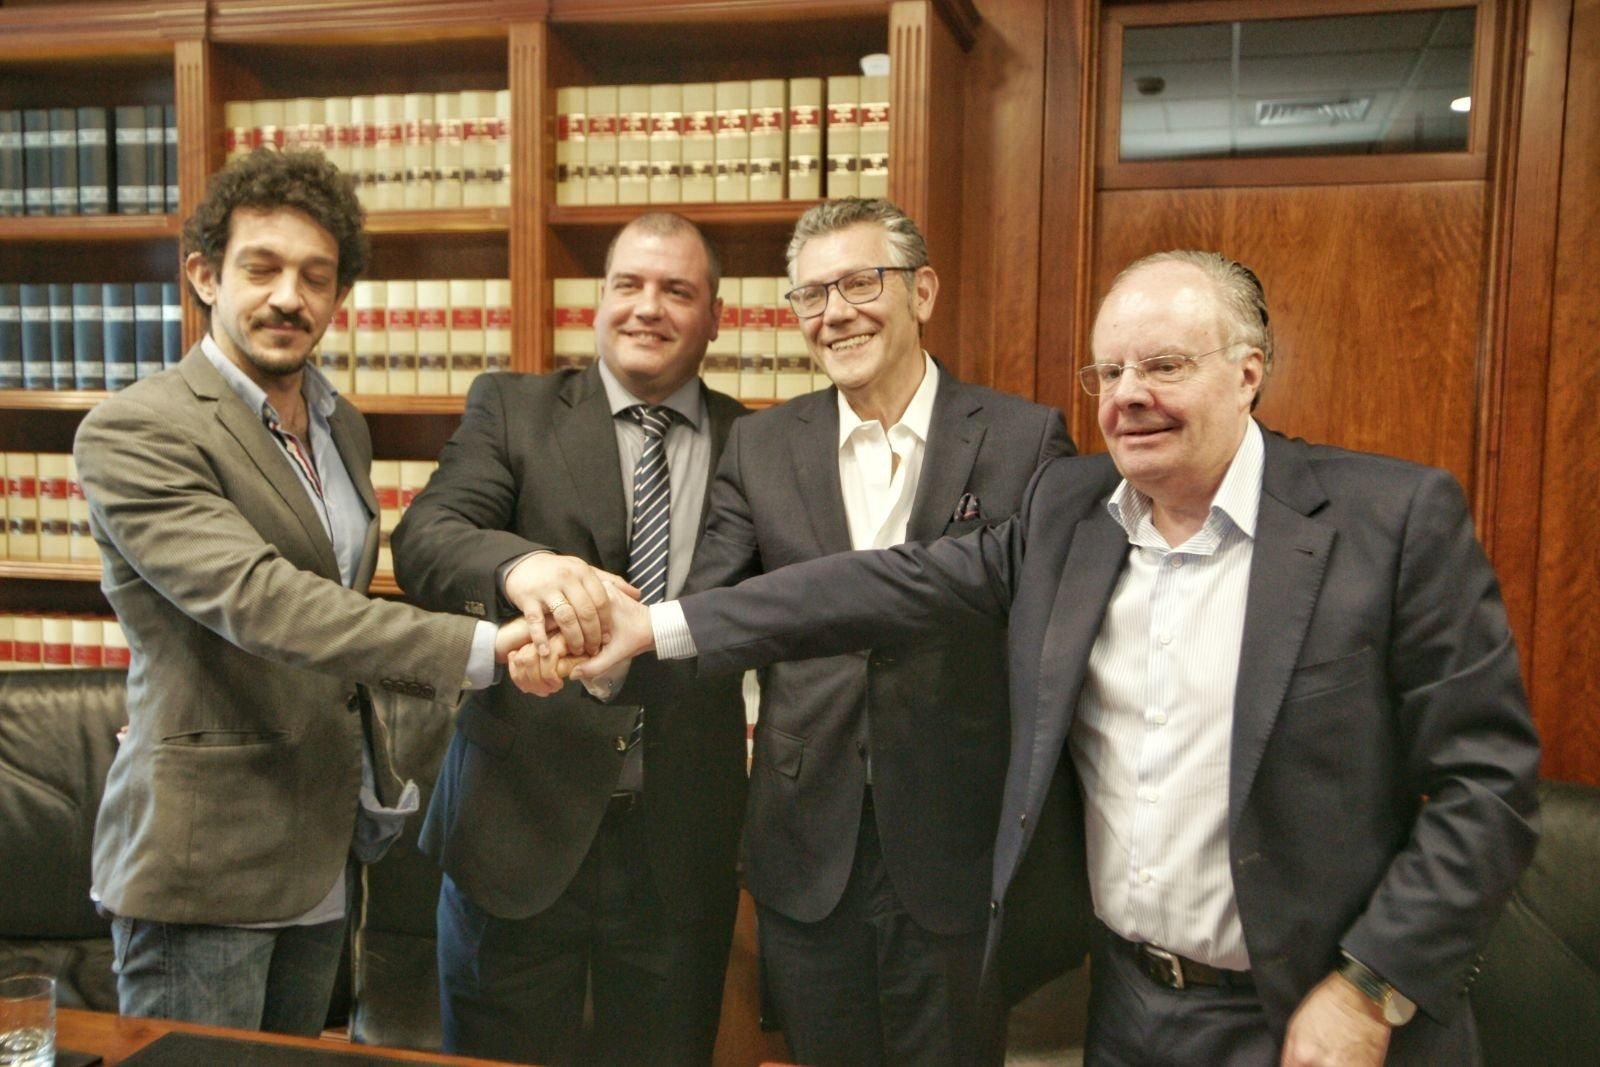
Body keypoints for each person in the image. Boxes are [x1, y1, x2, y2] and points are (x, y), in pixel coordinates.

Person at [553, 250, 1543, 1066]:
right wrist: (660, 627)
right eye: (1106, 372)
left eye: (1162, 365)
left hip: (1314, 1016)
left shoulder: (1391, 519)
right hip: (1124, 1008)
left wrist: (1371, 985)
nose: (1127, 398)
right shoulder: (1070, 512)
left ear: (1248, 370)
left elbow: (1487, 785)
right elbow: (874, 585)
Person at [72, 148, 535, 1036]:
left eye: (316, 277)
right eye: (264, 268)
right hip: (205, 859)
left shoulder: (340, 423)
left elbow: (334, 597)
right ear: (205, 276)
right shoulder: (136, 428)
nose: (291, 296)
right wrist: (477, 649)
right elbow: (262, 599)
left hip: (324, 846)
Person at [611, 197, 1071, 1067]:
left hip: (954, 846)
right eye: (811, 295)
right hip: (803, 845)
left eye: (862, 283)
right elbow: (710, 610)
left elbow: (1031, 619)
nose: (836, 313)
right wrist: (603, 656)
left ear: (922, 291)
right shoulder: (762, 444)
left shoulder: (1023, 438)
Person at [389, 212, 749, 1065]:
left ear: (717, 316)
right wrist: (521, 569)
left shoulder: (761, 442)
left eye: (677, 291)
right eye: (628, 285)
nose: (647, 308)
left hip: (679, 846)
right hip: (516, 830)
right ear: (599, 301)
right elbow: (427, 537)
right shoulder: (513, 408)